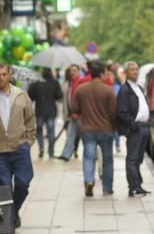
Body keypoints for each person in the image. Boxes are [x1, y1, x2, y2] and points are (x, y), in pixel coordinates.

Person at [0, 62, 36, 229]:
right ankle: (9, 222)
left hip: (20, 147)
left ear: (9, 75)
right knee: (4, 187)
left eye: (4, 74)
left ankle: (13, 211)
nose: (1, 78)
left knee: (24, 183)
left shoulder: (21, 95)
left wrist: (29, 140)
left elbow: (30, 119)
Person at [71, 61, 117, 197]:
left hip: (87, 129)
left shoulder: (81, 89)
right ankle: (107, 188)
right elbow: (114, 112)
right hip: (106, 129)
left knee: (89, 157)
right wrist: (114, 126)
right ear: (102, 74)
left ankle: (89, 181)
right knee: (107, 159)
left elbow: (75, 109)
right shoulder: (108, 90)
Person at [116, 61, 151, 196]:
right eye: (132, 70)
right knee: (132, 159)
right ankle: (133, 187)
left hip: (144, 127)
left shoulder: (138, 88)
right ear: (126, 72)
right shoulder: (124, 90)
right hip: (136, 129)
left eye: (136, 69)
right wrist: (133, 125)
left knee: (138, 159)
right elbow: (121, 111)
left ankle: (138, 185)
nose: (135, 72)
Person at [28, 68, 63, 158]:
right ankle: (51, 151)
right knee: (51, 131)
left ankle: (41, 148)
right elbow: (59, 96)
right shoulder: (54, 83)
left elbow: (30, 95)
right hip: (51, 111)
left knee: (39, 131)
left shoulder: (36, 82)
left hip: (39, 111)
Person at [56, 64, 82, 161]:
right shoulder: (70, 83)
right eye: (71, 70)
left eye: (74, 70)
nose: (72, 72)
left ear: (79, 71)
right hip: (72, 114)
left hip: (80, 115)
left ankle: (94, 154)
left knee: (85, 136)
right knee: (70, 134)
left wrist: (78, 113)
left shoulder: (81, 82)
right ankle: (66, 154)